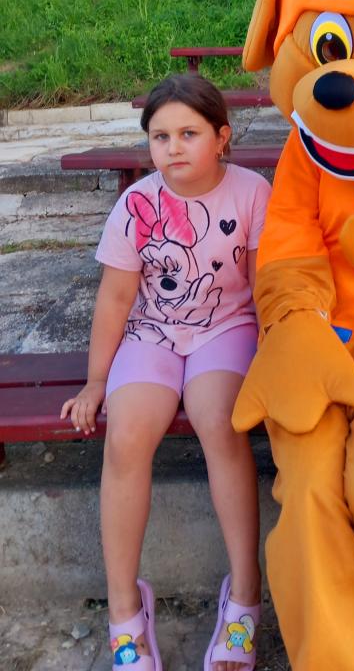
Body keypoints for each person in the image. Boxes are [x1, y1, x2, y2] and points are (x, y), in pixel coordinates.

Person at [61, 73, 270, 671]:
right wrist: (96, 379)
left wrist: (274, 355)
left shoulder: (252, 193)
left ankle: (244, 596)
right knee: (127, 435)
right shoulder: (137, 204)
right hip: (152, 333)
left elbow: (263, 287)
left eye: (188, 134)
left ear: (222, 137)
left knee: (219, 421)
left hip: (226, 328)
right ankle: (126, 610)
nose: (173, 148)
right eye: (159, 137)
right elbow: (116, 298)